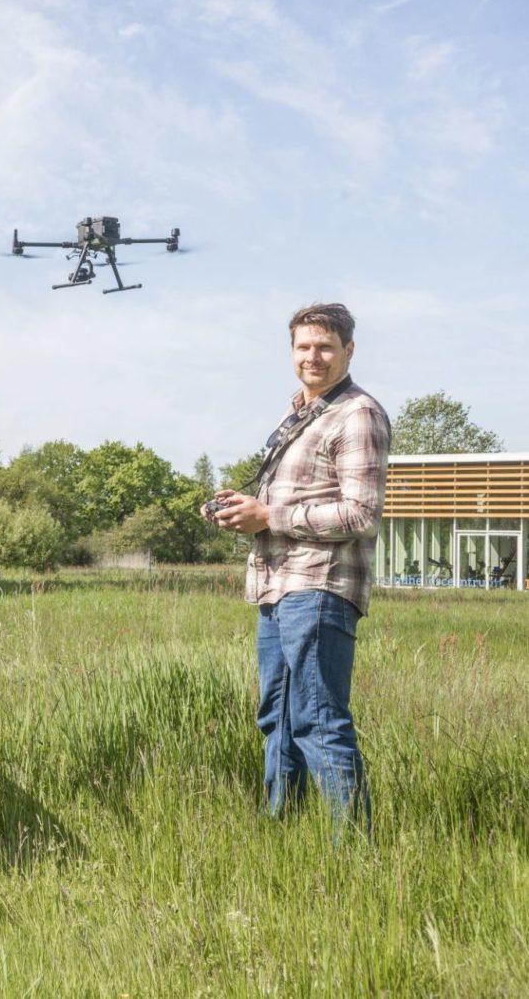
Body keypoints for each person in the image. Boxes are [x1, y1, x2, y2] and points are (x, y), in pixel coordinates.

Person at [203, 303, 390, 830]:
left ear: (348, 351)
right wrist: (242, 508)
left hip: (320, 586)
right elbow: (289, 502)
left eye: (326, 346)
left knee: (320, 721)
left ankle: (353, 851)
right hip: (276, 585)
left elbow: (361, 513)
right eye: (304, 347)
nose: (314, 356)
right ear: (291, 353)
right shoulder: (301, 413)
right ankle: (282, 830)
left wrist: (270, 515)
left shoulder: (358, 414)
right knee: (278, 720)